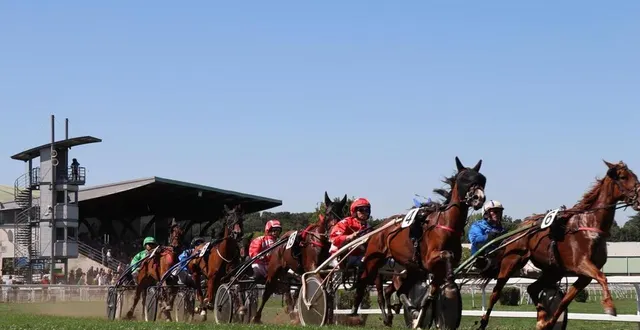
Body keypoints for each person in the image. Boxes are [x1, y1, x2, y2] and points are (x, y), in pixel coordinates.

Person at [329, 197, 371, 269]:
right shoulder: (345, 223)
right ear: (354, 211)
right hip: (341, 256)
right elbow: (334, 239)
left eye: (366, 210)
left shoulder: (368, 227)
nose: (364, 212)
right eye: (361, 210)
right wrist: (349, 237)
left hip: (359, 257)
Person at [468, 200, 506, 270]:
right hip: (481, 259)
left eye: (500, 212)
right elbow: (475, 240)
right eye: (495, 211)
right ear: (486, 214)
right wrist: (489, 236)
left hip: (498, 259)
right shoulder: (477, 225)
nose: (497, 214)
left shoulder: (502, 229)